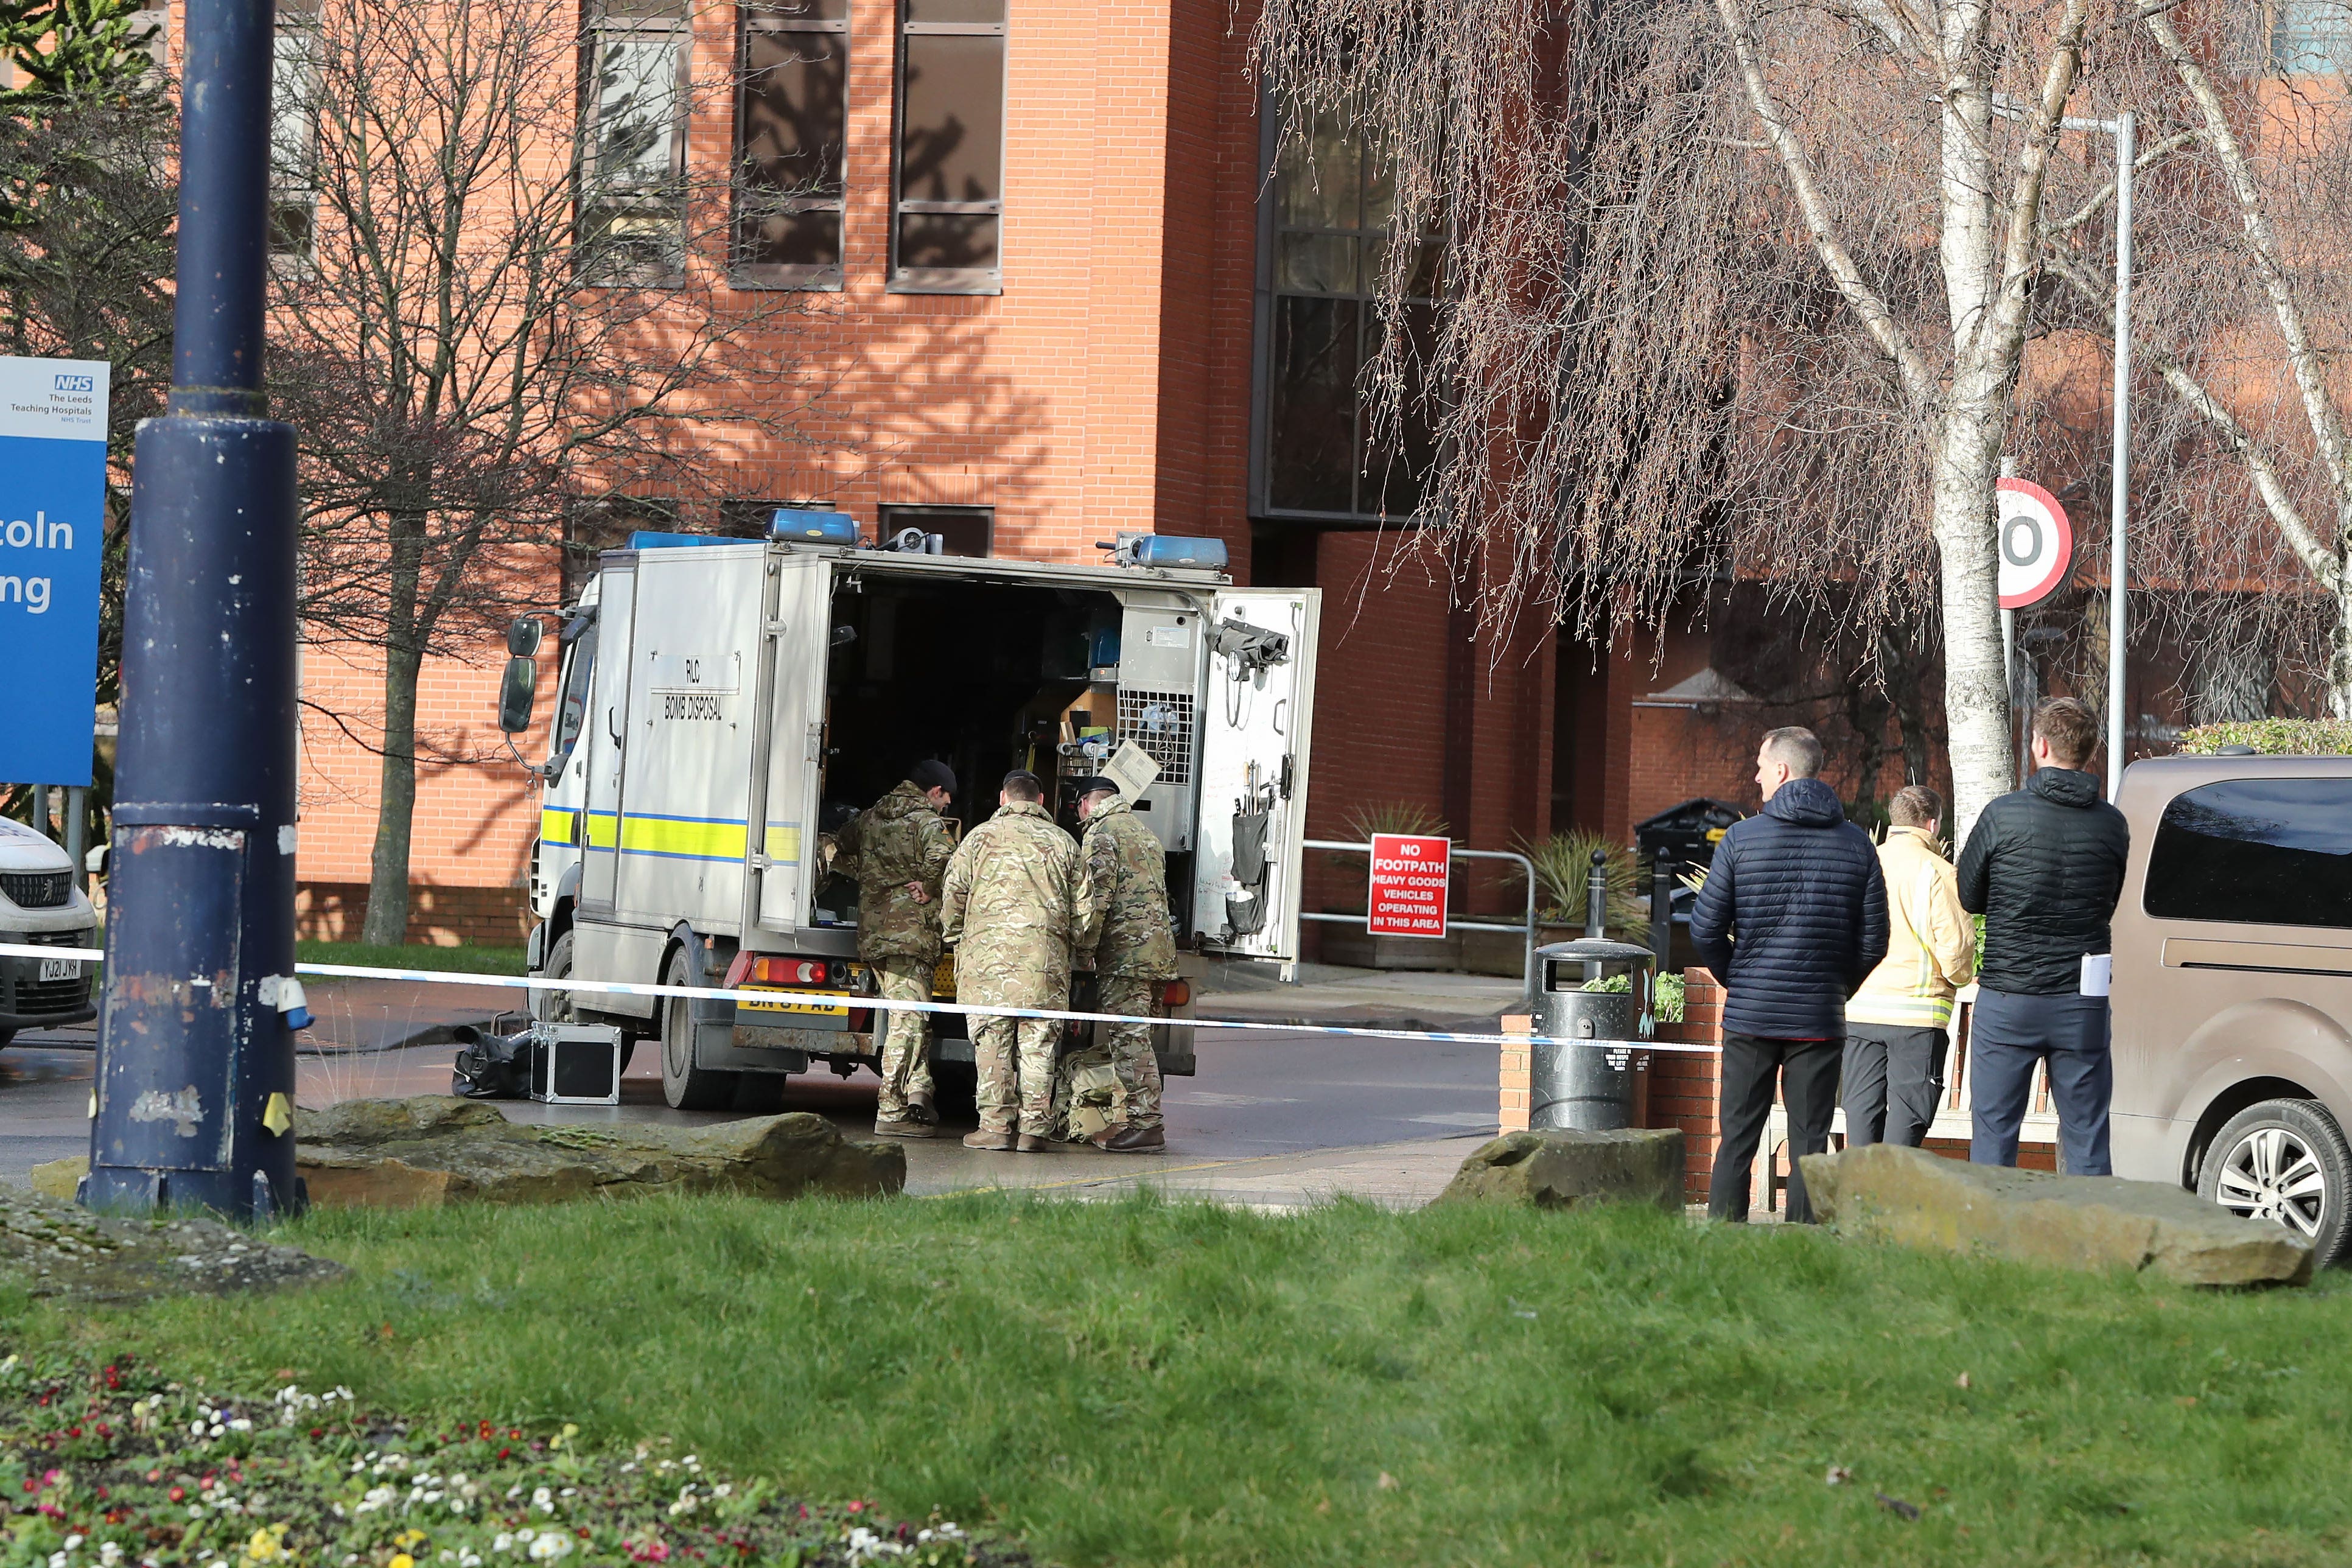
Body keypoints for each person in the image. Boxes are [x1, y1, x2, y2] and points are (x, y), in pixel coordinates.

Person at [1690, 726, 1888, 1223]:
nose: (1756, 775)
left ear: (1781, 771)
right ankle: (1802, 1252)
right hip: (1818, 1020)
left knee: (1736, 1138)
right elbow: (1873, 941)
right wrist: (1838, 987)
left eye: (1760, 765)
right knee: (1810, 1143)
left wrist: (1739, 979)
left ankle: (1723, 1247)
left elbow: (1705, 928)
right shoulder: (1857, 846)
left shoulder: (1742, 838)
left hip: (1752, 1017)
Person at [1956, 696, 2129, 1174]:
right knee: (2088, 1135)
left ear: (2040, 744)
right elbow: (2108, 902)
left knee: (1994, 1134)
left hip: (2010, 996)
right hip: (2081, 1000)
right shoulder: (2112, 825)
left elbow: (1969, 895)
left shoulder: (2002, 815)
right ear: (2090, 752)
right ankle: (2090, 1244)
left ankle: (1992, 1245)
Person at [939, 770, 1087, 1152]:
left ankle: (995, 1127)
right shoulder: (1065, 843)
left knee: (993, 1043)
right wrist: (1077, 948)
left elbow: (953, 895)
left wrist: (955, 937)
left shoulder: (977, 840)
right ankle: (1034, 1130)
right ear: (1040, 802)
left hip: (987, 966)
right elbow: (1086, 911)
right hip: (1043, 966)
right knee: (1038, 1046)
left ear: (1002, 799)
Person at [831, 760, 959, 1139]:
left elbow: (840, 842)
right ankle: (891, 1108)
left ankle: (919, 1093)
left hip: (874, 935)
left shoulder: (872, 816)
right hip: (910, 936)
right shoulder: (927, 822)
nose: (946, 807)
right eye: (946, 800)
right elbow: (943, 859)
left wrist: (869, 875)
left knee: (908, 1015)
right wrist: (929, 887)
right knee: (909, 1020)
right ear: (934, 791)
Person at [1843, 784, 1975, 1149]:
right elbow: (1957, 953)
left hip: (1861, 1011)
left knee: (1860, 1112)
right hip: (1917, 1016)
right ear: (1932, 825)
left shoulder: (1862, 863)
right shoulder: (1939, 873)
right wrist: (1958, 978)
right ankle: (1891, 1199)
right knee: (1908, 1117)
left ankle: (1858, 1196)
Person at [1060, 778, 1177, 1153]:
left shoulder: (1101, 835)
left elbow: (1097, 900)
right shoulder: (1145, 833)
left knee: (1129, 1038)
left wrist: (1083, 950)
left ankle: (1147, 1124)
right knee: (1137, 1036)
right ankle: (1134, 1118)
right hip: (1156, 952)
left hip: (1126, 956)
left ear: (1086, 805)